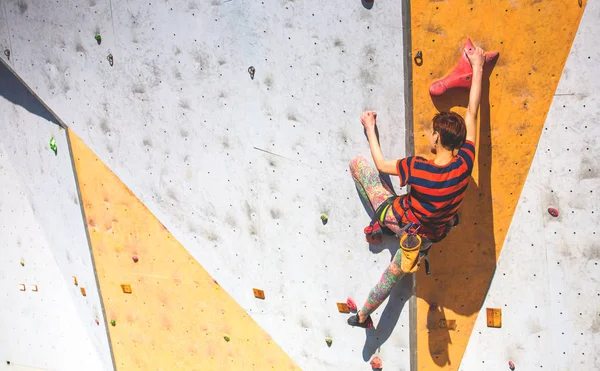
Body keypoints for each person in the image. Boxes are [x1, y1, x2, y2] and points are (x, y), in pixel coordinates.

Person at [347, 46, 486, 329]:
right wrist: (478, 65)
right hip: (425, 239)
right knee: (391, 276)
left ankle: (379, 224)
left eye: (432, 133)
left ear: (437, 137)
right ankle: (362, 316)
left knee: (358, 166)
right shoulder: (464, 165)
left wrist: (370, 127)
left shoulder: (420, 167)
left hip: (398, 217)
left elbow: (380, 163)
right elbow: (472, 113)